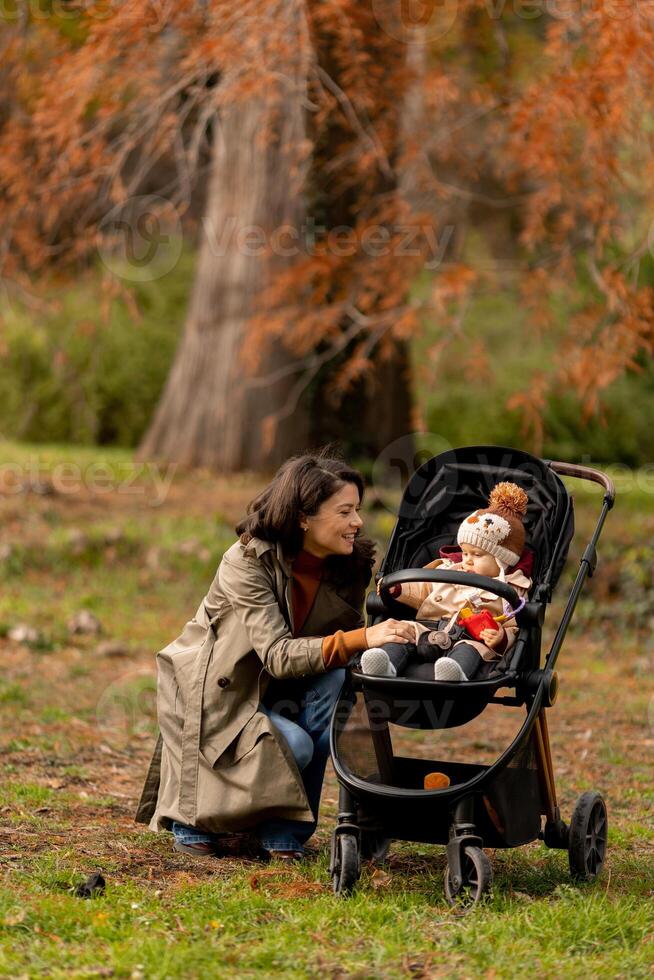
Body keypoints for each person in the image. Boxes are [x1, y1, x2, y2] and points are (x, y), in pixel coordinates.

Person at [134, 451, 415, 861]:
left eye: (357, 509)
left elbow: (335, 650)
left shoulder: (348, 566)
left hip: (285, 683)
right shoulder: (247, 561)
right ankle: (192, 819)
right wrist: (365, 637)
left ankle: (284, 834)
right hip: (220, 689)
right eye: (345, 511)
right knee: (295, 745)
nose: (357, 522)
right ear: (304, 518)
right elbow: (279, 655)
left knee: (337, 682)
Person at [360, 482, 532, 682]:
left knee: (470, 651)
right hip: (427, 627)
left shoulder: (512, 589)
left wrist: (501, 638)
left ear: (502, 559)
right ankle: (384, 663)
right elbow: (421, 587)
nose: (467, 559)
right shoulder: (447, 569)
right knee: (402, 634)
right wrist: (398, 588)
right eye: (465, 552)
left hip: (469, 638)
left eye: (477, 555)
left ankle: (454, 671)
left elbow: (514, 625)